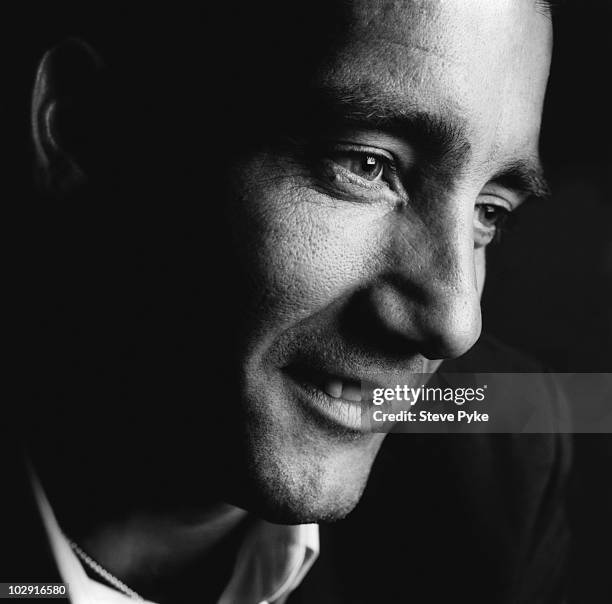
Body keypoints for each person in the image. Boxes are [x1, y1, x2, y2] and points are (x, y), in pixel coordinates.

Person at [2, 1, 569, 602]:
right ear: (91, 128)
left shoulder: (496, 473)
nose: (455, 324)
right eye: (367, 165)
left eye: (490, 212)